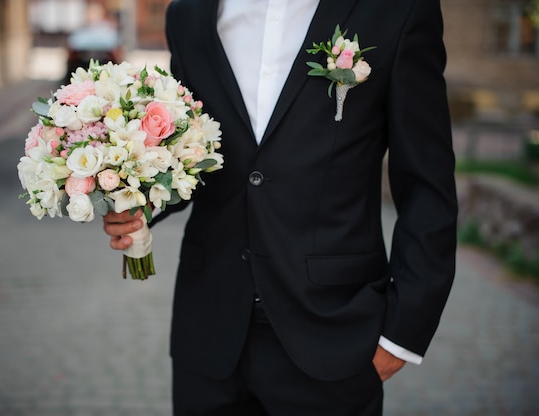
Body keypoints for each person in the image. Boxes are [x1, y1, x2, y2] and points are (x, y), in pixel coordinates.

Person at [103, 0, 458, 414]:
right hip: (208, 335)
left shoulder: (396, 11)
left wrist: (402, 334)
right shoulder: (188, 13)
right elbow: (188, 154)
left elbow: (427, 185)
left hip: (334, 338)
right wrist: (140, 204)